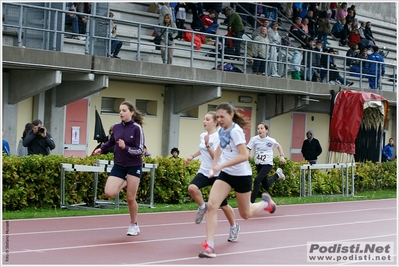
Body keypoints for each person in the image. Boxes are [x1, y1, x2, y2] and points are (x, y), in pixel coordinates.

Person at [198, 102, 276, 258]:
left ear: (231, 115)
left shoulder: (236, 131)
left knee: (245, 214)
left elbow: (243, 155)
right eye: (217, 117)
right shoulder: (222, 130)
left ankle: (265, 203)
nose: (219, 119)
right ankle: (210, 247)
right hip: (226, 174)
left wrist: (221, 166)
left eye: (222, 116)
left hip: (242, 175)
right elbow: (220, 148)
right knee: (212, 205)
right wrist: (214, 166)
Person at [186, 111, 240, 242]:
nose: (204, 121)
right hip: (205, 171)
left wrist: (207, 144)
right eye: (204, 119)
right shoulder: (203, 135)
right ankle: (202, 207)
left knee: (223, 205)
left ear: (215, 122)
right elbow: (202, 149)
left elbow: (215, 156)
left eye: (207, 119)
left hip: (218, 174)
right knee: (192, 188)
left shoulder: (220, 137)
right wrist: (192, 156)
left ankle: (234, 227)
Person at [93, 101, 145, 236]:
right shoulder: (116, 127)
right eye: (120, 110)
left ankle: (134, 225)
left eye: (124, 110)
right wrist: (101, 149)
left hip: (134, 165)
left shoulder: (137, 128)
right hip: (119, 165)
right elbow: (111, 142)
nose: (121, 113)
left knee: (130, 198)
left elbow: (140, 150)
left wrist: (125, 147)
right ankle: (127, 181)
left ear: (131, 113)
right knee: (109, 193)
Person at [247, 122, 286, 203]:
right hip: (259, 164)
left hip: (267, 164)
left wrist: (281, 156)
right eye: (258, 129)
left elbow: (278, 146)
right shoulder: (254, 139)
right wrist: (248, 154)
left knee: (257, 180)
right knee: (266, 185)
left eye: (261, 128)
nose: (259, 130)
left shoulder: (270, 140)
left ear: (266, 130)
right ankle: (277, 175)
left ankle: (251, 202)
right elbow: (248, 148)